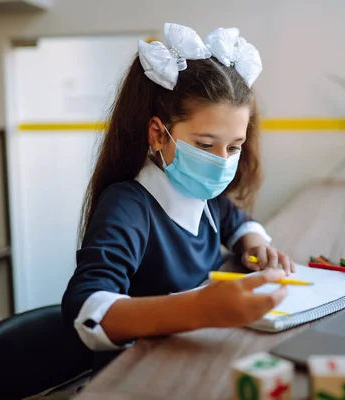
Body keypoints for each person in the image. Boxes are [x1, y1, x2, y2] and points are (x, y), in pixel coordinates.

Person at [61, 22, 295, 375]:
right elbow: (86, 310)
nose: (221, 161)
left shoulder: (204, 192)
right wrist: (201, 308)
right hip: (136, 377)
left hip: (190, 361)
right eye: (205, 145)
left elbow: (238, 223)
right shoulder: (128, 206)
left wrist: (254, 243)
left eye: (234, 147)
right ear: (158, 134)